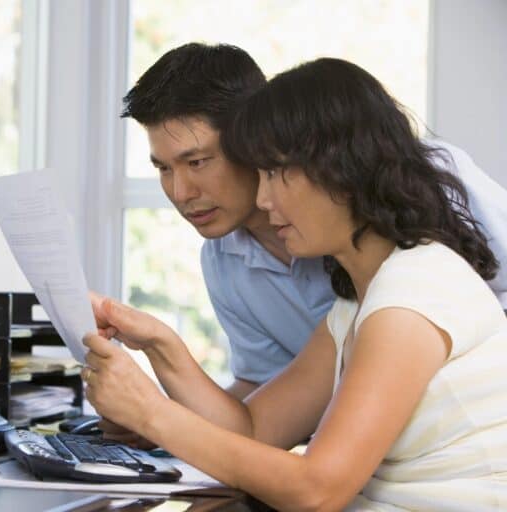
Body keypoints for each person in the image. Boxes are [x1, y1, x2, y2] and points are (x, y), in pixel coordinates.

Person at [84, 58, 507, 510]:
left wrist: (149, 412)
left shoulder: (413, 294)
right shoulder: (356, 303)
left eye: (275, 173)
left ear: (341, 169)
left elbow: (317, 490)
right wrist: (161, 348)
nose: (264, 199)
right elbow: (253, 430)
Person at [120, 43, 507, 399]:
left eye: (197, 162)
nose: (180, 192)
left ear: (248, 135)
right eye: (162, 168)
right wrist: (157, 411)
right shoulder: (232, 267)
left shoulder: (427, 187)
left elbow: (318, 473)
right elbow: (271, 399)